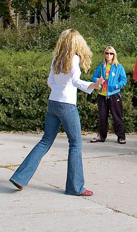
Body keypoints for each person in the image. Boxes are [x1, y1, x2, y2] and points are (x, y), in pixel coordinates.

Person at [10, 29, 102, 196]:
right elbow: (75, 82)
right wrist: (94, 85)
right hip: (67, 104)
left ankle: (20, 177)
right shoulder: (74, 59)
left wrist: (59, 91)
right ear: (76, 43)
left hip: (53, 102)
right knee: (75, 144)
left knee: (45, 141)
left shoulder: (56, 59)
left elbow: (50, 81)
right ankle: (75, 187)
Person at [90, 45, 128, 144]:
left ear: (114, 55)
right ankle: (101, 136)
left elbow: (124, 80)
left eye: (111, 53)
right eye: (107, 53)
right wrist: (98, 80)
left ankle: (121, 136)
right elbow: (94, 77)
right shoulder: (101, 66)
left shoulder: (118, 67)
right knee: (102, 116)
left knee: (117, 116)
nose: (109, 55)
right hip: (102, 94)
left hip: (114, 94)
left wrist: (116, 86)